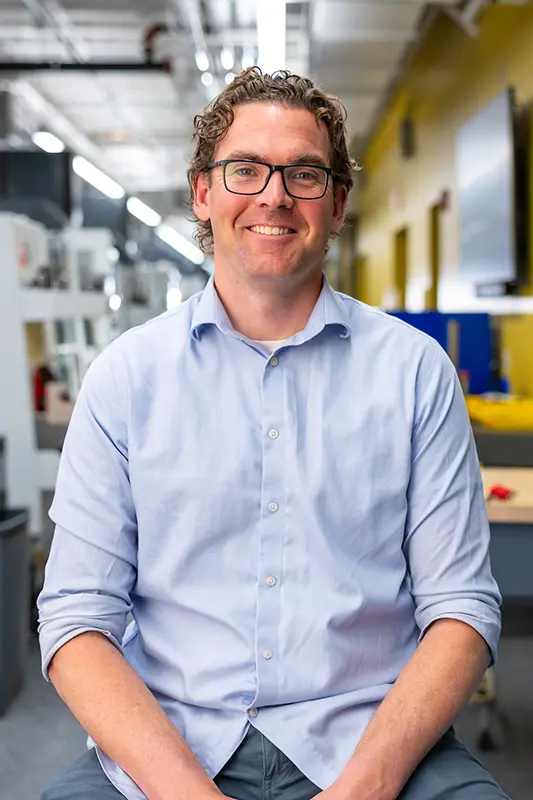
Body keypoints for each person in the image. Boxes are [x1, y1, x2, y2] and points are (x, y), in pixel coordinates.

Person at [38, 68, 508, 800]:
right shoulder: (126, 379)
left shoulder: (415, 373)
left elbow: (462, 608)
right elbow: (75, 622)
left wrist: (365, 786)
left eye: (304, 173)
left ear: (339, 202)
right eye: (245, 169)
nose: (274, 195)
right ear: (203, 192)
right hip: (171, 747)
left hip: (374, 741)